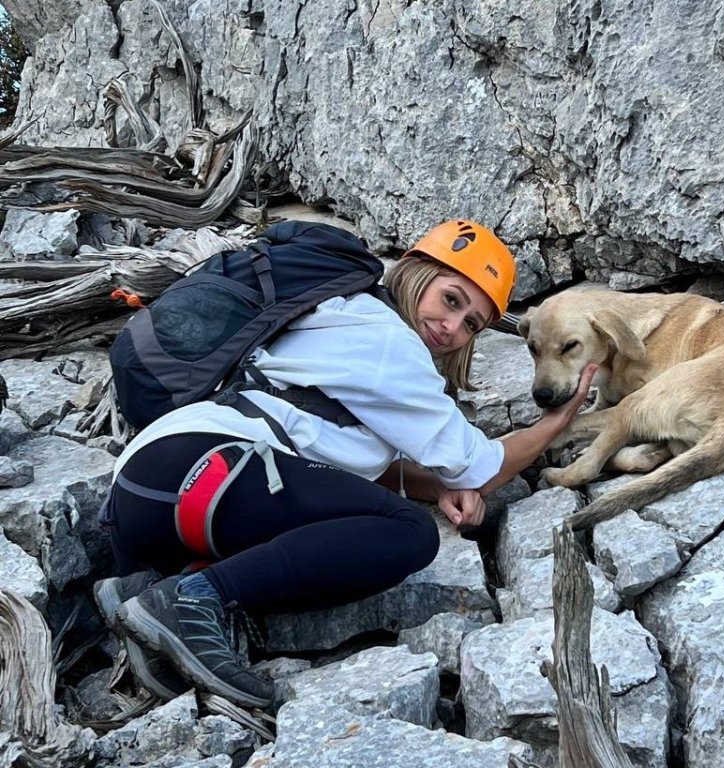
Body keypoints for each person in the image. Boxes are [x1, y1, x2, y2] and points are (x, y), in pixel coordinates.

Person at [94, 219, 597, 710]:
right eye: (450, 298)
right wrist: (558, 421)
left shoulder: (341, 313)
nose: (452, 327)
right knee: (406, 534)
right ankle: (194, 597)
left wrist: (433, 486)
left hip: (156, 491)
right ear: (417, 272)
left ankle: (145, 591)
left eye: (472, 324)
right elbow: (480, 467)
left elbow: (340, 468)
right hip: (206, 469)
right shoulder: (387, 341)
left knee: (373, 515)